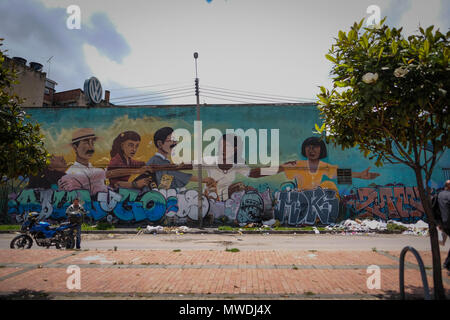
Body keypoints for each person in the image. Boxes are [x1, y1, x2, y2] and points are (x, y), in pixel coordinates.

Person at [58, 128, 108, 195]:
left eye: (92, 143)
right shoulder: (70, 174)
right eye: (86, 143)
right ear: (75, 148)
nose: (91, 148)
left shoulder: (97, 171)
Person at [438, 180, 450, 271]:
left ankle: (447, 263)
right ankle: (447, 263)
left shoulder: (439, 195)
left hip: (443, 222)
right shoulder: (448, 195)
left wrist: (438, 222)